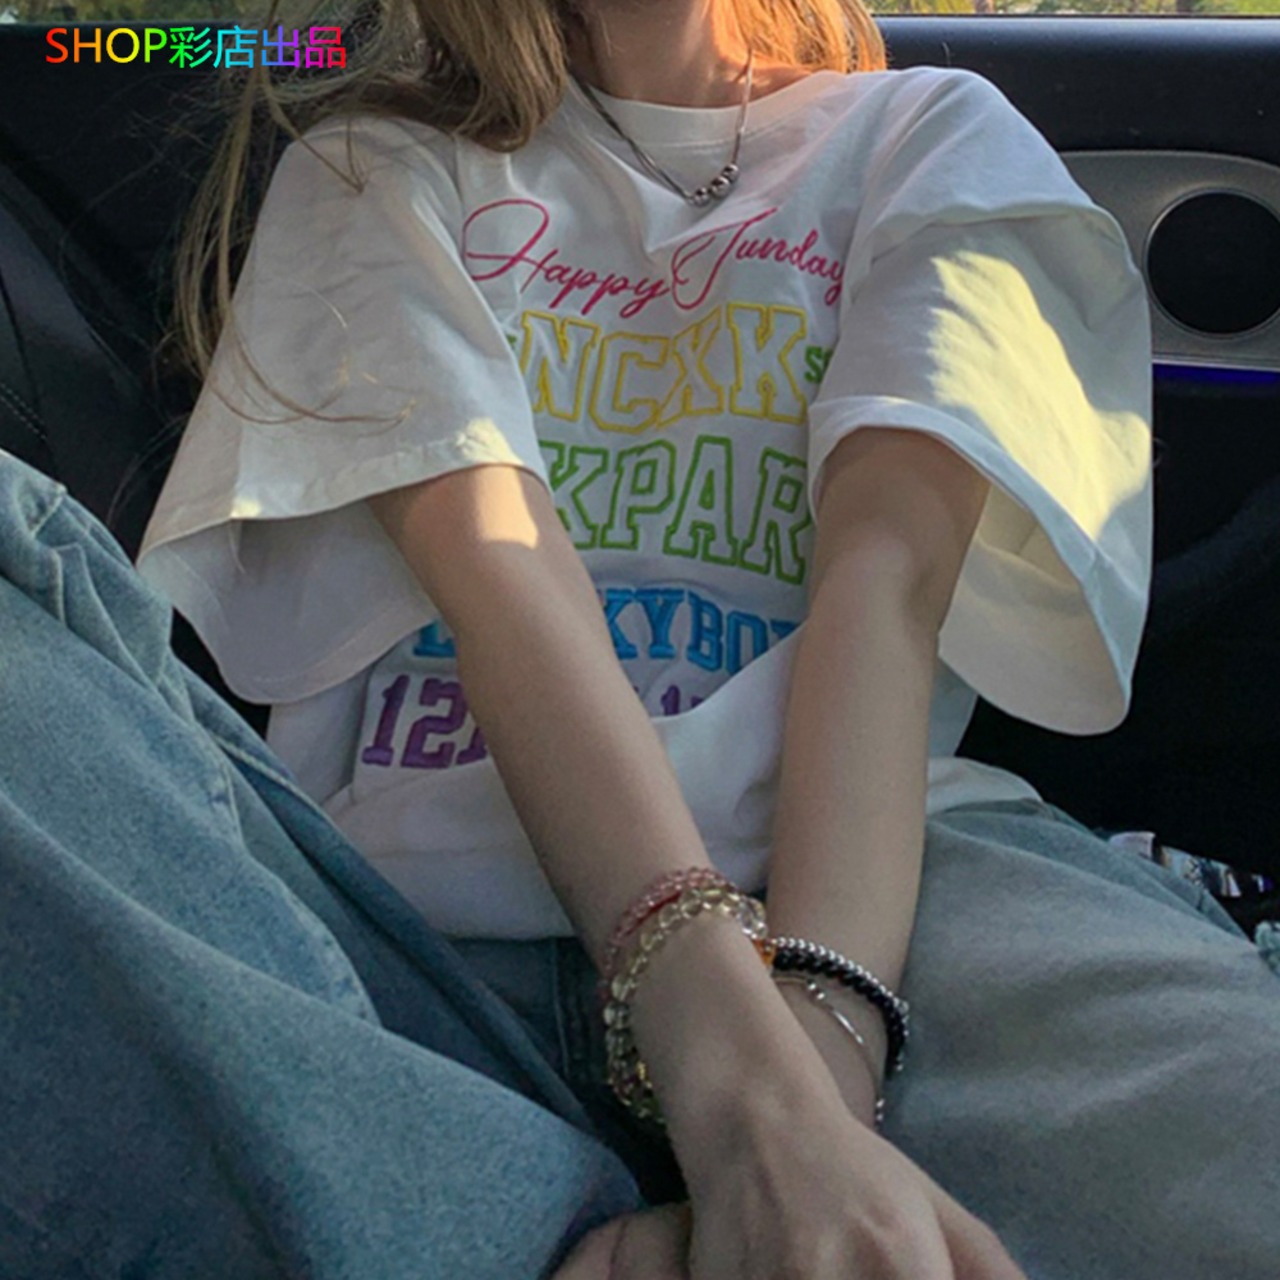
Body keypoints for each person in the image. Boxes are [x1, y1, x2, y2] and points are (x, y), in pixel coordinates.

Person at [4, 0, 1278, 1277]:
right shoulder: (376, 164)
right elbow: (497, 569)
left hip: (880, 902)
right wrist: (749, 1111)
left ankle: (475, 1229)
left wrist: (813, 1082)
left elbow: (882, 589)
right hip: (408, 939)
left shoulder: (925, 133)